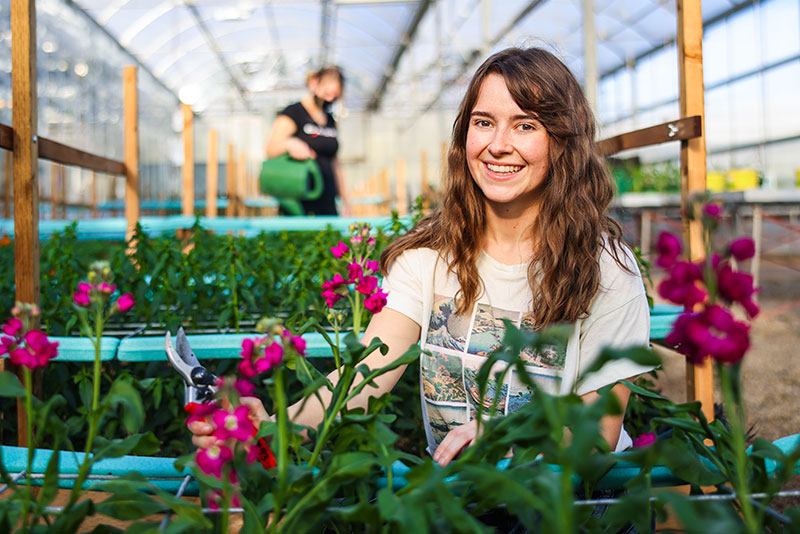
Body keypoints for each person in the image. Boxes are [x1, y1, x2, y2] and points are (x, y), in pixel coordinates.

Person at [193, 47, 653, 468]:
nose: (498, 144)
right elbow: (367, 375)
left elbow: (600, 431)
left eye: (526, 124)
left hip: (575, 503)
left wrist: (511, 440)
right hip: (458, 499)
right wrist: (275, 425)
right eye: (483, 121)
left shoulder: (604, 268)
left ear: (562, 142)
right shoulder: (429, 257)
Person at [265, 66, 350, 216]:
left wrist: (346, 202)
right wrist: (289, 144)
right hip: (299, 200)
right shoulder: (293, 113)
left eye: (335, 96)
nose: (329, 99)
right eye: (327, 93)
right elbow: (271, 149)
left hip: (328, 201)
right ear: (314, 83)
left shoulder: (330, 119)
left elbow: (335, 163)